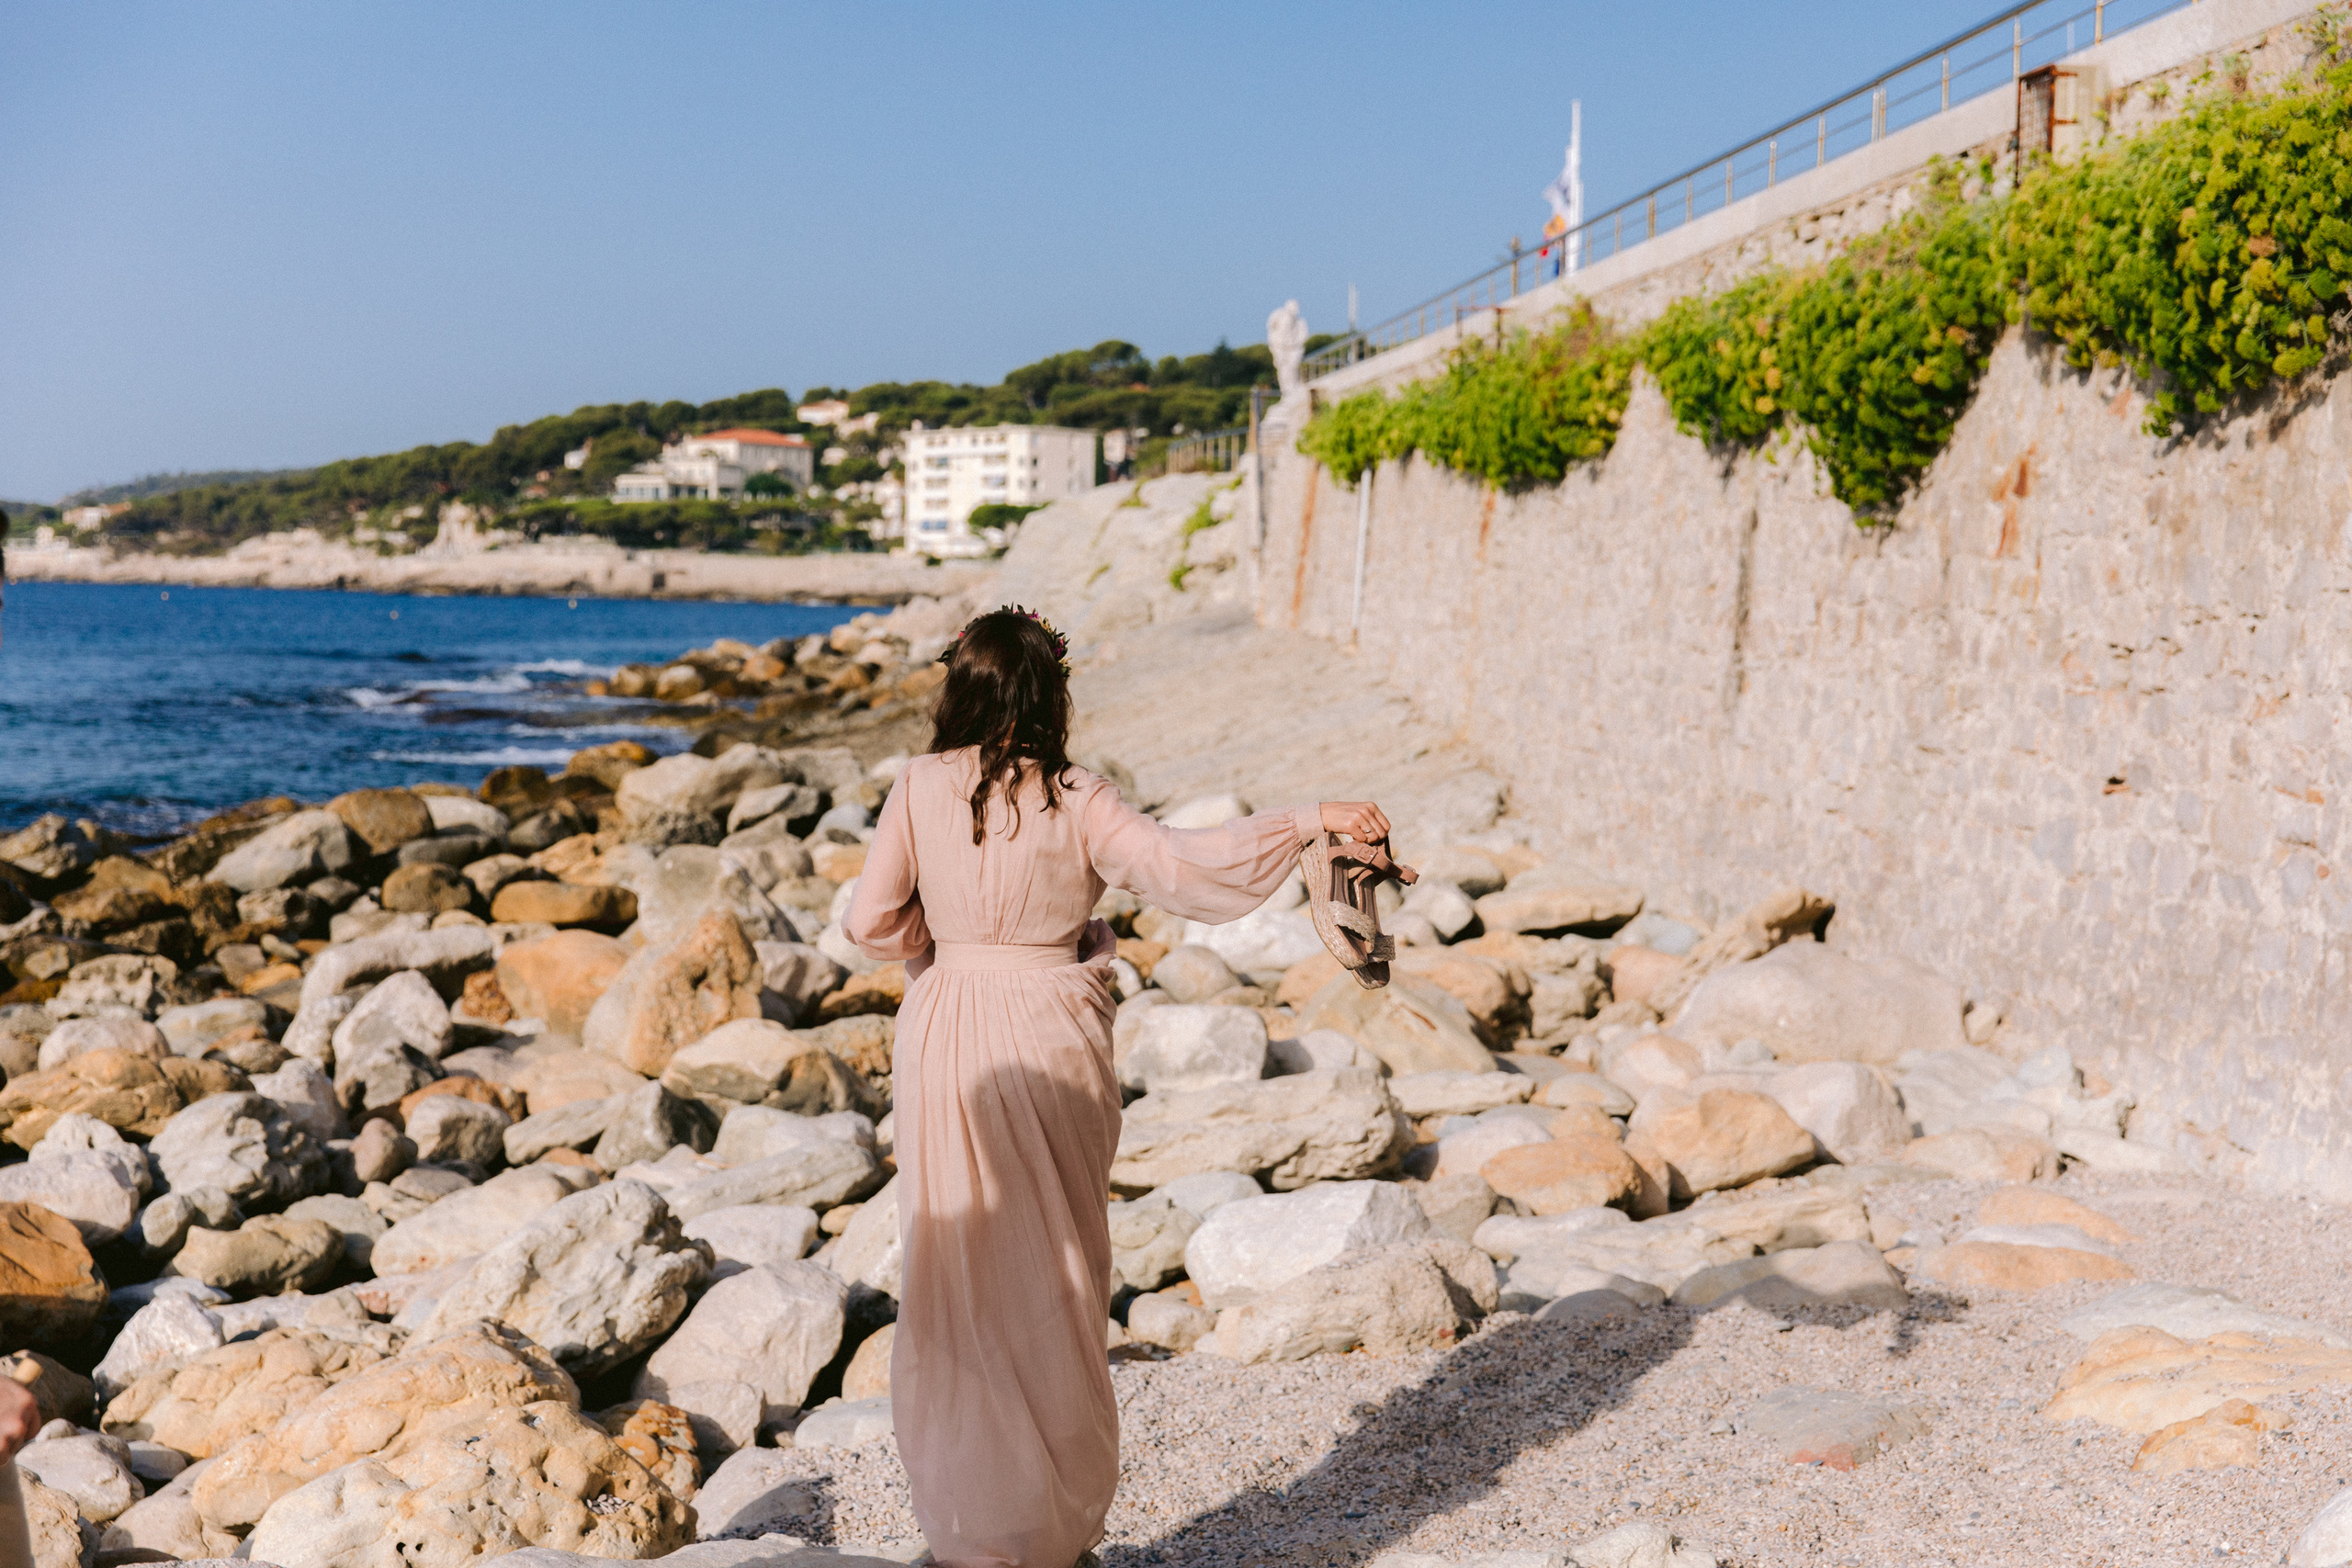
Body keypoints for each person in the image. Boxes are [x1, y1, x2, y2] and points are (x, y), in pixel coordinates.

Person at [845, 606, 1409, 1568]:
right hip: (1054, 1026)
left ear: (961, 687)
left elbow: (869, 923)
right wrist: (1307, 819)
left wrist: (941, 947)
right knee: (1059, 1270)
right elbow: (1184, 867)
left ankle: (975, 1529)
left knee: (955, 1271)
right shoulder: (1079, 795)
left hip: (947, 1031)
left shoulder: (918, 784)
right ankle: (1052, 1529)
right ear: (1051, 692)